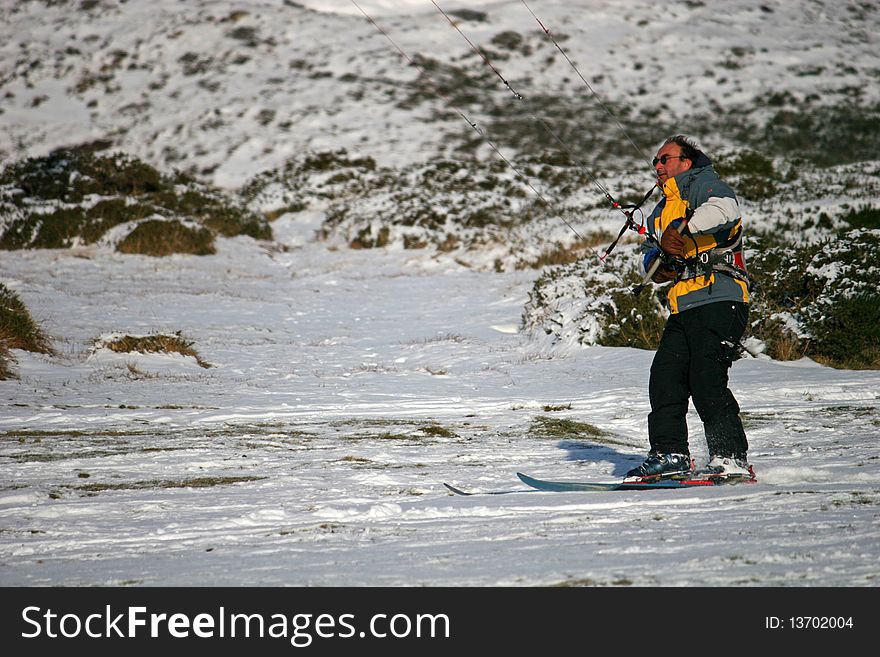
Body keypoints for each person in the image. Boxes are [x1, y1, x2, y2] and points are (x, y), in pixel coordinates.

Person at [625, 135, 752, 481]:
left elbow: (725, 210)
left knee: (706, 378)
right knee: (665, 378)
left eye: (665, 159)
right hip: (684, 304)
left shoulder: (705, 184)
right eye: (655, 161)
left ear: (688, 161)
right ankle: (670, 454)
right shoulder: (662, 208)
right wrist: (657, 265)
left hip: (722, 297)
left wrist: (681, 229)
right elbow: (650, 257)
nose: (658, 166)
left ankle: (731, 458)